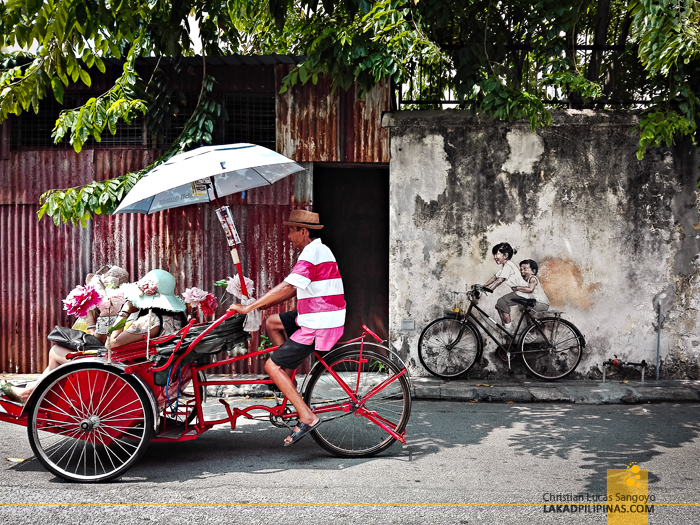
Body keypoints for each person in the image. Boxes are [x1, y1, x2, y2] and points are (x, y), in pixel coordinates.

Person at [228, 210, 346, 446]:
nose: (289, 236)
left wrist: (252, 306)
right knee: (272, 323)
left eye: (292, 230)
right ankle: (286, 376)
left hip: (318, 321)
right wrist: (259, 307)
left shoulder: (312, 252)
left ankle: (307, 416)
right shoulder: (318, 249)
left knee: (271, 365)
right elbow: (292, 288)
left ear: (303, 231)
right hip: (317, 311)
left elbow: (288, 288)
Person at [0, 269, 186, 403]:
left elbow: (112, 343)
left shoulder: (151, 321)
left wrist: (125, 312)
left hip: (124, 367)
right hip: (145, 363)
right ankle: (30, 391)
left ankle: (29, 394)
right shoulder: (176, 318)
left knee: (56, 351)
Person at [482, 242, 528, 330]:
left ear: (505, 255)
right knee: (498, 306)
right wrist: (484, 285)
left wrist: (490, 288)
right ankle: (504, 326)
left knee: (501, 302)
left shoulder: (509, 266)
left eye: (497, 254)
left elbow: (500, 280)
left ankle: (508, 328)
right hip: (519, 292)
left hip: (522, 292)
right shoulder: (504, 267)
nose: (495, 257)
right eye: (494, 254)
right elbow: (495, 277)